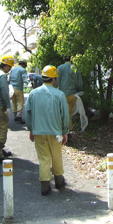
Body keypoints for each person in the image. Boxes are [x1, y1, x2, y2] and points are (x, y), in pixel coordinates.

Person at [26, 65, 69, 196]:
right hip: (55, 132)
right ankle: (58, 180)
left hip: (38, 131)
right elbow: (64, 115)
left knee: (44, 158)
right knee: (56, 155)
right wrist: (65, 131)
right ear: (54, 79)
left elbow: (28, 113)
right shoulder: (60, 94)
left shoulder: (33, 94)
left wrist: (31, 129)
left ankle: (45, 185)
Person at [57, 56, 83, 132]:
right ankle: (68, 131)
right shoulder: (76, 68)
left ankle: (64, 131)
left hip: (62, 95)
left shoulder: (60, 68)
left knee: (62, 114)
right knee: (69, 114)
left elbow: (57, 81)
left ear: (64, 59)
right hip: (73, 95)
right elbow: (80, 83)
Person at [9, 59, 29, 124]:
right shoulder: (23, 70)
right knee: (20, 102)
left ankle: (15, 115)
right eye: (26, 64)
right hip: (18, 88)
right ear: (23, 64)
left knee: (13, 102)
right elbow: (25, 79)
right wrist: (29, 84)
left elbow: (9, 79)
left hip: (11, 88)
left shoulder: (13, 69)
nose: (26, 66)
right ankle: (19, 115)